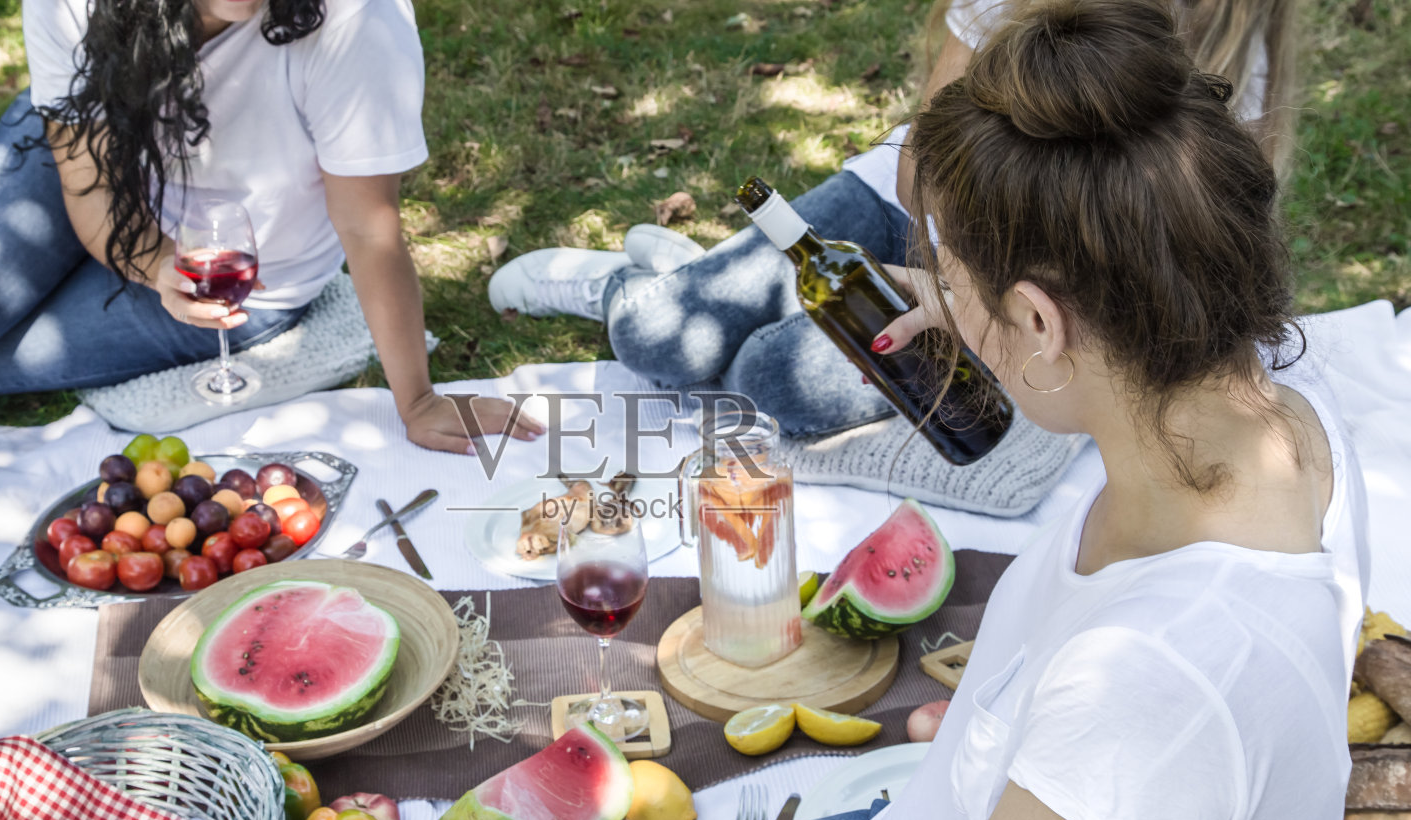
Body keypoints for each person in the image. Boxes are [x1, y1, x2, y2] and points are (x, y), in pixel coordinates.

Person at [539, 2, 1365, 820]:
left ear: (1045, 322)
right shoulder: (1284, 420)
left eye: (956, 281)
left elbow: (1149, 724)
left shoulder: (1154, 689)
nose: (944, 305)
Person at [488, 0, 1297, 439]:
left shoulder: (1231, 49)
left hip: (1018, 286)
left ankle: (721, 279)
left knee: (774, 383)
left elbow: (1190, 245)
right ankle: (645, 285)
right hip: (911, 207)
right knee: (659, 337)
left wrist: (982, 310)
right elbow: (921, 168)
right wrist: (957, 278)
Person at [0, 0, 542, 453]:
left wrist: (415, 398)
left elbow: (369, 229)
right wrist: (156, 262)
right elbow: (85, 178)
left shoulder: (356, 18)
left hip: (250, 271)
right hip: (99, 155)